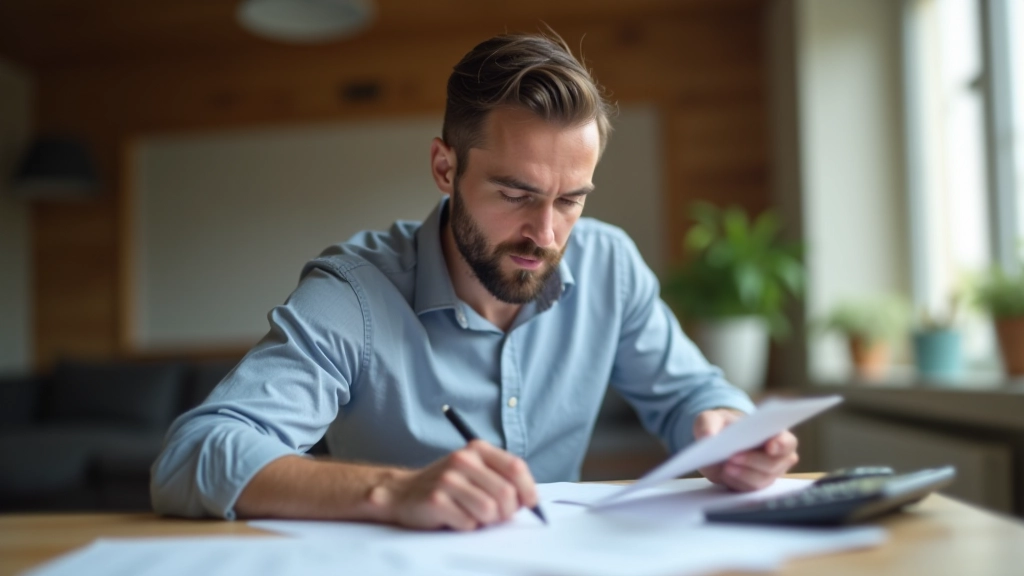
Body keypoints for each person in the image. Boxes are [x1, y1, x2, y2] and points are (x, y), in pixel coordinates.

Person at [150, 32, 798, 531]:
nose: (545, 233)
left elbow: (694, 394)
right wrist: (392, 492)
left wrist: (726, 431)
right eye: (515, 193)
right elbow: (194, 454)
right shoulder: (354, 294)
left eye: (570, 199)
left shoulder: (609, 265)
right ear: (444, 166)